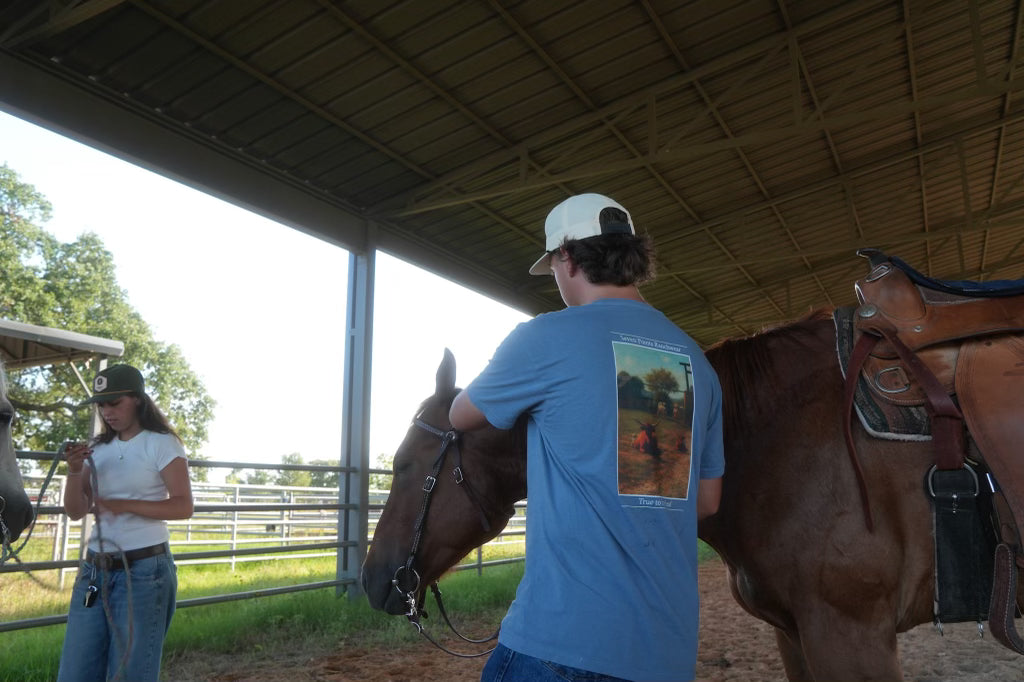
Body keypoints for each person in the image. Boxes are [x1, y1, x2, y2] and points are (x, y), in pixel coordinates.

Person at [449, 193, 725, 682]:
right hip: (667, 654)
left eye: (554, 264)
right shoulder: (696, 363)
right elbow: (705, 501)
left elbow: (460, 415)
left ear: (567, 257)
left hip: (561, 645)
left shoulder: (544, 338)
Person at [58, 364, 194, 682]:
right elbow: (76, 511)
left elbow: (183, 505)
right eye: (101, 404)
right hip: (95, 569)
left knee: (130, 674)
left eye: (115, 402)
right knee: (75, 672)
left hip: (145, 572)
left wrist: (123, 505)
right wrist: (75, 471)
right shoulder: (99, 447)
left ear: (137, 399)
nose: (107, 411)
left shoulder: (162, 443)